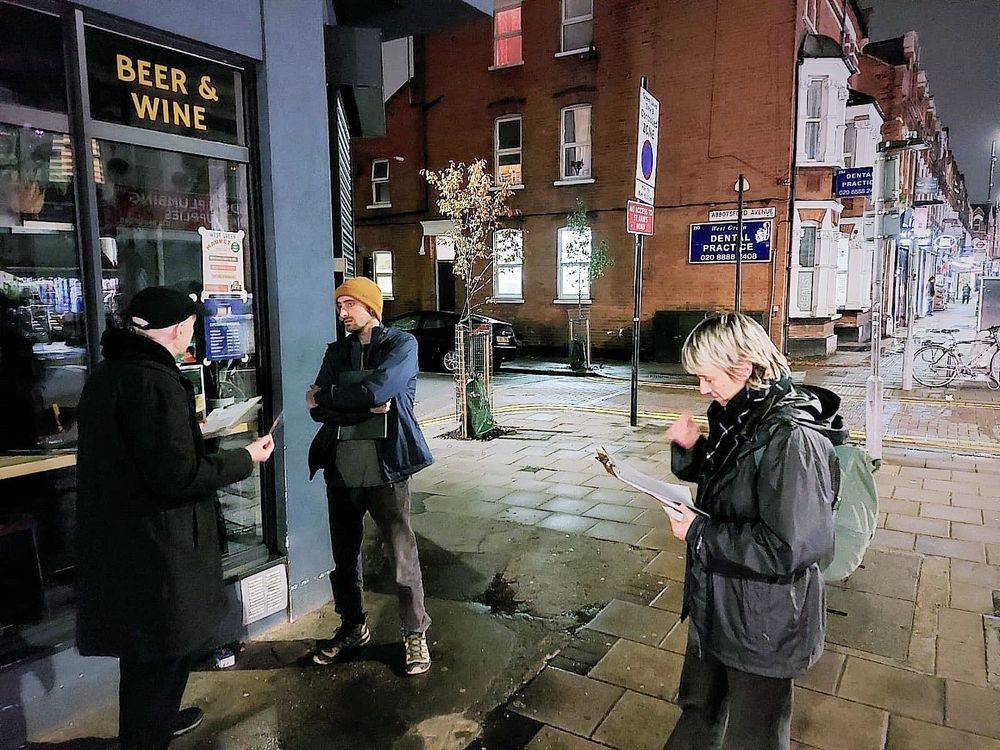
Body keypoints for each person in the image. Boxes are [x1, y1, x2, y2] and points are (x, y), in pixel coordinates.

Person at [75, 286, 274, 750]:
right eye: (192, 325)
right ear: (181, 328)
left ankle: (157, 720)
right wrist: (245, 457)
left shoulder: (112, 372)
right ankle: (147, 734)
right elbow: (177, 477)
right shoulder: (155, 382)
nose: (194, 333)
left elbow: (142, 452)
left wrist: (189, 431)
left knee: (147, 655)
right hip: (158, 546)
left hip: (128, 540)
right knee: (162, 655)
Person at [662, 313, 845, 750]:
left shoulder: (792, 440)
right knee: (698, 708)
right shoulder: (737, 413)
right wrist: (692, 453)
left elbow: (792, 548)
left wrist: (700, 534)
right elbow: (733, 482)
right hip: (719, 600)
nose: (702, 389)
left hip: (764, 620)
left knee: (754, 734)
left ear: (744, 369)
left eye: (707, 377)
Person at [307, 277, 434, 675]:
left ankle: (415, 634)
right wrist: (354, 403)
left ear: (371, 307)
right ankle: (352, 626)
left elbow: (377, 390)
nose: (342, 312)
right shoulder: (336, 352)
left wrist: (333, 396)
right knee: (344, 558)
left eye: (349, 304)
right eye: (339, 305)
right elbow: (316, 408)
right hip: (341, 470)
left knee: (401, 556)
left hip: (387, 469)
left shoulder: (401, 346)